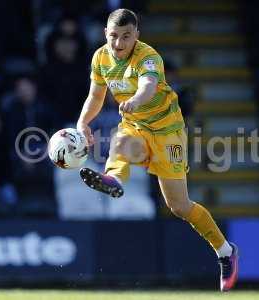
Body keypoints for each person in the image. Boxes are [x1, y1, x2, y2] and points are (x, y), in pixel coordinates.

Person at [76, 9, 238, 291]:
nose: (119, 44)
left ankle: (225, 252)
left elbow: (148, 87)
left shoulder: (148, 56)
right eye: (114, 36)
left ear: (136, 35)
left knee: (179, 207)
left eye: (126, 37)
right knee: (121, 140)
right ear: (105, 34)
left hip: (168, 132)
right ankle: (112, 179)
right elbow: (96, 95)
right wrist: (82, 122)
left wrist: (136, 101)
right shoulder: (100, 57)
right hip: (135, 127)